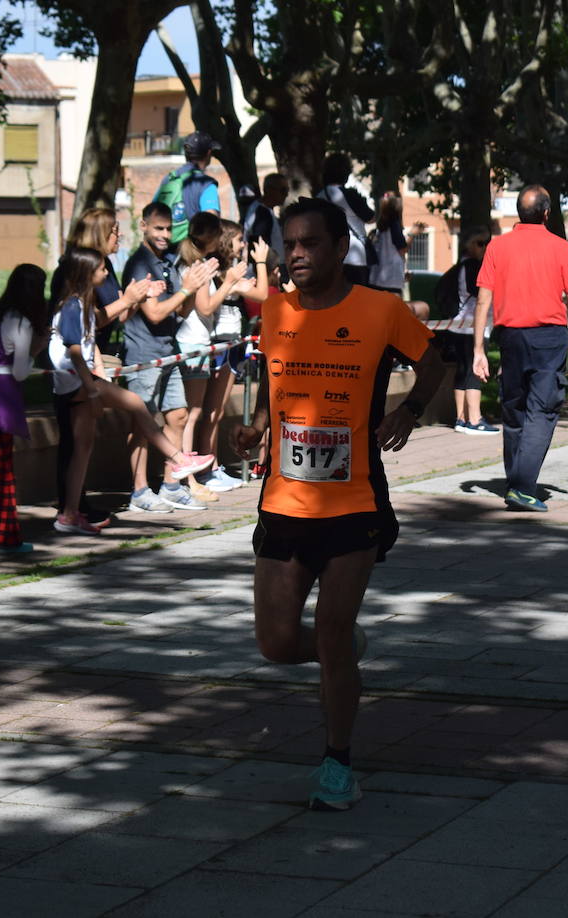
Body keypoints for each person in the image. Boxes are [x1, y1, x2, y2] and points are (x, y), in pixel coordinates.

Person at [230, 196, 444, 810]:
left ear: (339, 247)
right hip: (283, 500)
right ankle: (343, 654)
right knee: (275, 642)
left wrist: (407, 411)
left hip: (354, 503)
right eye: (287, 244)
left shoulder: (380, 309)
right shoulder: (275, 311)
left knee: (330, 628)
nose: (295, 254)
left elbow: (434, 362)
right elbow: (281, 385)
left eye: (308, 244)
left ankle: (337, 762)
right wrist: (261, 431)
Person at [49, 246, 214, 534]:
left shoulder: (80, 305)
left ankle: (69, 514)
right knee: (136, 403)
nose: (106, 272)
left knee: (82, 450)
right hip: (77, 383)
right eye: (102, 269)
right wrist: (92, 390)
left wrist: (131, 298)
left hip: (78, 381)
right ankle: (177, 459)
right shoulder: (72, 306)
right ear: (87, 274)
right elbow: (75, 351)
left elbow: (96, 325)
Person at [472, 185, 568, 512]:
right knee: (543, 408)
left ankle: (515, 483)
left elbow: (483, 299)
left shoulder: (497, 247)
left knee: (514, 409)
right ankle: (522, 487)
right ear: (548, 214)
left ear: (519, 213)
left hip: (510, 337)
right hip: (548, 338)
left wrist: (478, 349)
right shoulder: (561, 248)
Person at [120, 201, 217, 513]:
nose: (164, 235)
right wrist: (187, 290)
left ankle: (171, 486)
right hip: (143, 355)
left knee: (177, 415)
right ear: (144, 225)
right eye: (158, 228)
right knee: (143, 421)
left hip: (168, 352)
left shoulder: (167, 262)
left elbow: (179, 310)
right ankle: (139, 492)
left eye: (168, 229)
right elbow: (156, 313)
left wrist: (194, 286)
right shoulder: (139, 264)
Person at [49, 207, 134, 525]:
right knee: (74, 437)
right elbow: (82, 324)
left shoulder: (106, 267)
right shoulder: (74, 271)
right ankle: (70, 507)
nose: (119, 235)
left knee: (84, 438)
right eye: (114, 230)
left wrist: (131, 300)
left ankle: (75, 506)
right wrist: (126, 301)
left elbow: (108, 314)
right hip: (74, 371)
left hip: (95, 360)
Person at [180, 219, 269, 499]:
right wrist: (230, 284)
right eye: (239, 239)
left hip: (232, 346)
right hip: (214, 345)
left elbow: (263, 295)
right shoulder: (215, 273)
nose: (243, 244)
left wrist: (261, 262)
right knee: (206, 411)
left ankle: (212, 466)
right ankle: (205, 467)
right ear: (225, 240)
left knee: (216, 412)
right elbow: (206, 307)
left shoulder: (229, 273)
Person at [0, 264, 50, 554]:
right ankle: (3, 538)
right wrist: (37, 349)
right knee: (2, 469)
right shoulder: (23, 323)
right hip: (1, 403)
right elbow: (19, 372)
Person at [434, 228, 497, 434]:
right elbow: (482, 294)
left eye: (487, 243)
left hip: (458, 325)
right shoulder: (474, 267)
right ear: (471, 246)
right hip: (473, 327)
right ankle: (475, 420)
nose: (485, 247)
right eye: (480, 243)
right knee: (474, 371)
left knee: (462, 372)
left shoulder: (459, 266)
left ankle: (461, 419)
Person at [315, 153, 375, 286]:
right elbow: (370, 218)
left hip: (327, 257)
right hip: (354, 257)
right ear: (346, 173)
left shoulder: (318, 197)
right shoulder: (350, 195)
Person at [153, 131, 222, 244]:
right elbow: (210, 222)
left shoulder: (169, 179)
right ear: (209, 153)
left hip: (164, 249)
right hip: (191, 252)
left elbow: (152, 211)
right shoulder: (206, 184)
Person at [242, 172, 290, 266]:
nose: (287, 194)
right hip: (267, 270)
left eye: (287, 190)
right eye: (283, 190)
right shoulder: (262, 213)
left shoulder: (263, 210)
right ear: (269, 190)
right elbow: (260, 245)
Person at [368, 191, 409, 295]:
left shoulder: (380, 228)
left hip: (376, 278)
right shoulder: (394, 226)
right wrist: (413, 234)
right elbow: (402, 249)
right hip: (391, 280)